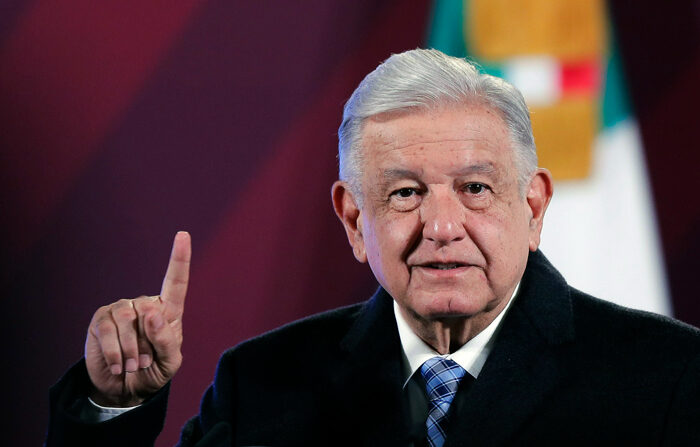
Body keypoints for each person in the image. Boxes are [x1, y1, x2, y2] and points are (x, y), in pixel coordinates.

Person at [46, 49, 700, 446]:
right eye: (407, 194)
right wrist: (116, 407)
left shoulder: (668, 377)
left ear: (532, 208)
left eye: (474, 187)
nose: (442, 226)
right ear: (354, 220)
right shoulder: (263, 385)